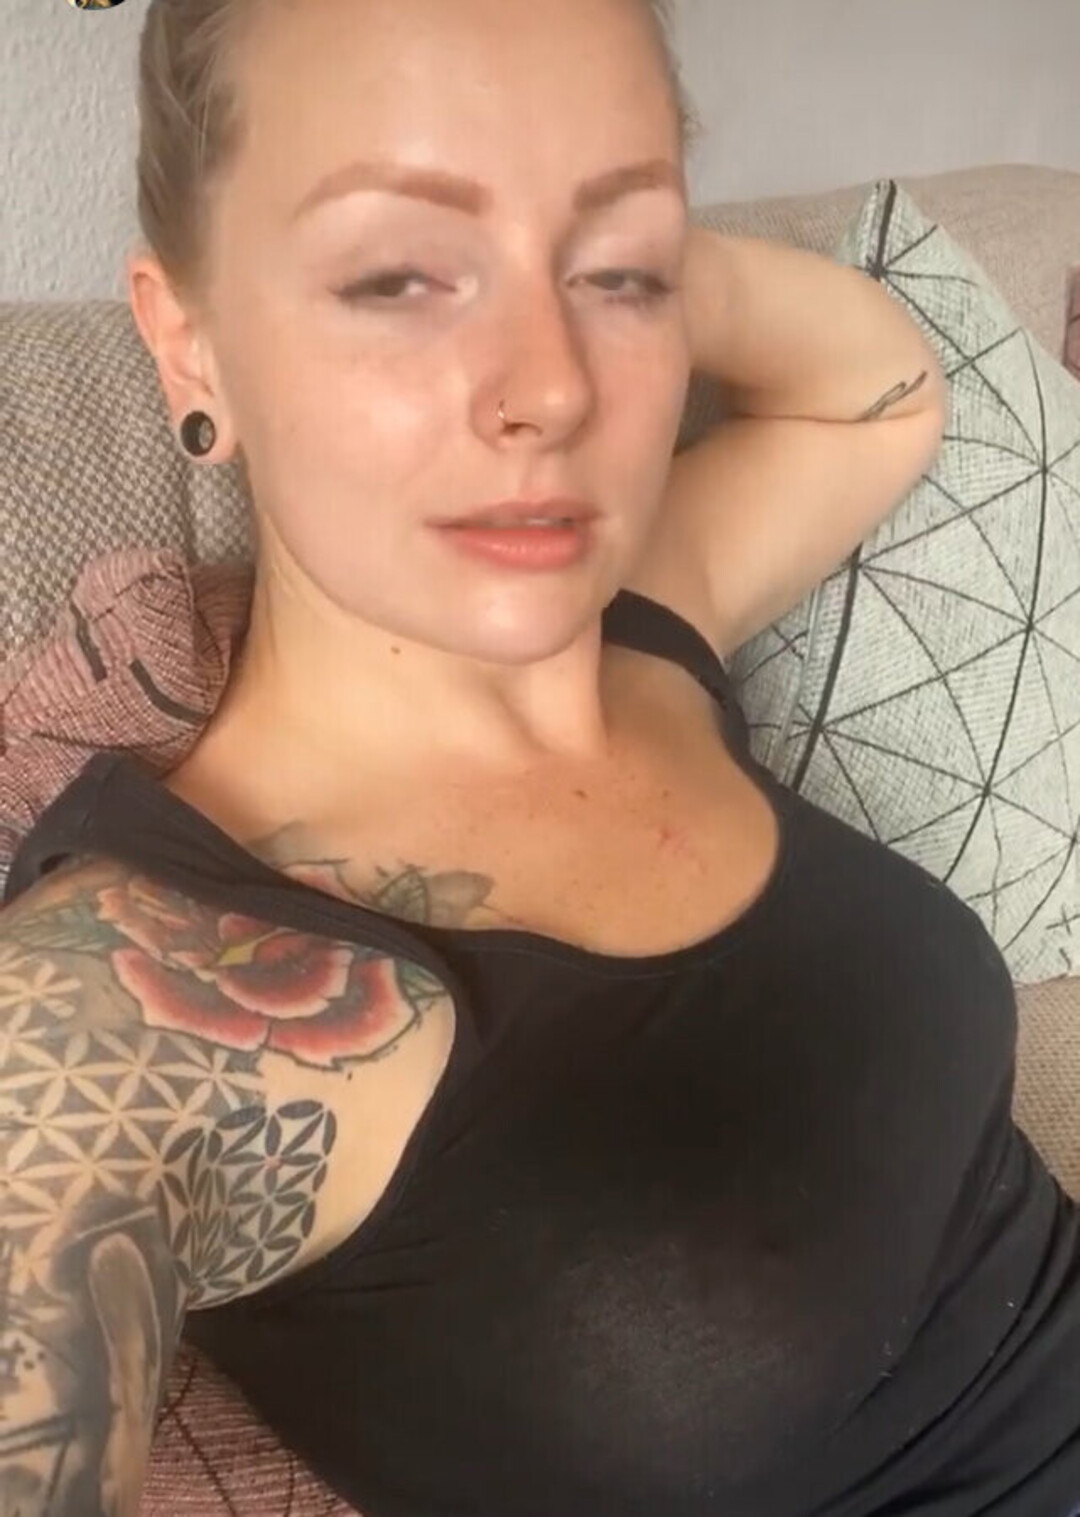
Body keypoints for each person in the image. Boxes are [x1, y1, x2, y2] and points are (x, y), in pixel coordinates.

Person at [1, 0, 1078, 1513]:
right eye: (397, 275)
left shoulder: (641, 631)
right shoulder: (115, 1007)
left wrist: (621, 259)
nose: (555, 386)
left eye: (617, 272)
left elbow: (878, 394)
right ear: (190, 339)